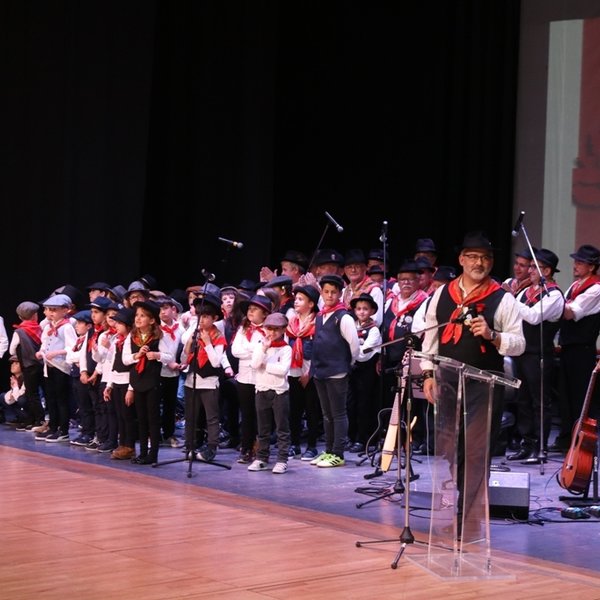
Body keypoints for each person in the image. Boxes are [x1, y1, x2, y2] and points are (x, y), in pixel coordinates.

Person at [420, 231, 525, 539]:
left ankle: (471, 521)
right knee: (452, 453)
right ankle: (454, 513)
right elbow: (431, 336)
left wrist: (493, 336)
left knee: (476, 453)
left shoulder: (502, 298)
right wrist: (428, 374)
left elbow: (519, 344)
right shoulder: (443, 294)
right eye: (474, 257)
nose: (481, 263)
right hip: (449, 383)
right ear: (462, 260)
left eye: (486, 258)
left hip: (485, 388)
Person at [508, 248, 564, 461]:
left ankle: (541, 447)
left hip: (539, 353)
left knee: (539, 401)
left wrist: (510, 299)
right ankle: (527, 443)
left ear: (547, 271)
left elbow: (532, 316)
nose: (529, 271)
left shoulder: (554, 295)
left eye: (535, 267)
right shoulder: (525, 292)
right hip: (522, 351)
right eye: (530, 266)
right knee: (522, 400)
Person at [552, 244, 600, 452]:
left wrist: (550, 298)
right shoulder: (574, 286)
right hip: (569, 348)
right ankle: (565, 440)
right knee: (565, 396)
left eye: (580, 262)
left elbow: (571, 313)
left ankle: (580, 443)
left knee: (581, 398)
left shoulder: (596, 288)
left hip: (583, 350)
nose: (575, 265)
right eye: (576, 261)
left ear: (591, 267)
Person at [310, 274, 360, 468]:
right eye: (326, 292)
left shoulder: (343, 316)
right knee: (327, 413)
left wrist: (348, 362)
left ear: (340, 294)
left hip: (337, 371)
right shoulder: (321, 315)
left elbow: (354, 345)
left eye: (333, 292)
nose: (329, 295)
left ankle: (338, 453)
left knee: (338, 413)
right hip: (320, 371)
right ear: (322, 293)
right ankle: (329, 450)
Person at [122, 300, 173, 465]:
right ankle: (142, 452)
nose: (138, 318)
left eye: (142, 316)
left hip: (152, 381)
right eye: (137, 315)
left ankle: (153, 453)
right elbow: (125, 359)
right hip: (137, 380)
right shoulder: (132, 337)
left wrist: (157, 355)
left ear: (152, 320)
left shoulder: (159, 336)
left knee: (153, 418)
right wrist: (137, 356)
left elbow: (169, 356)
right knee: (141, 418)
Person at [180, 294, 227, 462]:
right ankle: (189, 445)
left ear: (214, 318)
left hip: (209, 381)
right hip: (191, 379)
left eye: (206, 316)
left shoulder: (218, 337)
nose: (202, 320)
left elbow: (216, 362)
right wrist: (188, 345)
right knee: (191, 416)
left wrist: (207, 343)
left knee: (211, 417)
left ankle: (212, 448)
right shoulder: (194, 333)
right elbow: (184, 359)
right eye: (200, 316)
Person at [247, 312, 293, 474]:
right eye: (269, 328)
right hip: (261, 389)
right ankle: (262, 458)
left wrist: (265, 365)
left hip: (279, 391)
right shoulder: (261, 345)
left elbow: (282, 370)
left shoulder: (286, 349)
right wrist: (264, 349)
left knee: (281, 428)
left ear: (283, 330)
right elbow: (254, 364)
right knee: (263, 428)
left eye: (276, 329)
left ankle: (282, 459)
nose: (272, 333)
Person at [231, 294, 273, 464]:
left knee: (261, 415)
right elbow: (235, 351)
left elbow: (267, 355)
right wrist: (255, 351)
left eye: (254, 309)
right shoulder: (243, 329)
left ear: (264, 314)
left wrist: (255, 352)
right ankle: (246, 447)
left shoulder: (269, 330)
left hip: (261, 378)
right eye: (249, 309)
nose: (250, 312)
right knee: (247, 414)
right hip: (244, 378)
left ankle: (261, 448)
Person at [35, 294, 78, 442]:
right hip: (49, 366)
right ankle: (53, 427)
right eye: (48, 309)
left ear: (65, 310)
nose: (51, 312)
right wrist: (41, 352)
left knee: (62, 400)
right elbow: (44, 344)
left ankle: (63, 430)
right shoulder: (48, 326)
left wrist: (57, 352)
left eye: (54, 309)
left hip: (61, 367)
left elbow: (72, 347)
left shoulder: (66, 327)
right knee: (51, 398)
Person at [286, 284, 321, 460]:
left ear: (311, 304)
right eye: (296, 298)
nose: (296, 302)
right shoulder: (291, 323)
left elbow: (320, 350)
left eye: (300, 299)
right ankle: (294, 444)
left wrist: (311, 372)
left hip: (310, 372)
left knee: (312, 408)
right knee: (294, 409)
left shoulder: (318, 322)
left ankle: (312, 446)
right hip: (294, 370)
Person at [346, 293, 382, 454]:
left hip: (366, 371)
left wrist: (350, 352)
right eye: (358, 309)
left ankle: (364, 439)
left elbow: (363, 353)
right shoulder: (351, 325)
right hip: (352, 370)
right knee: (351, 404)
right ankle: (351, 437)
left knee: (364, 405)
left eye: (365, 309)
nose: (361, 312)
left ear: (372, 311)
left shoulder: (373, 330)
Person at [103, 308, 137, 460]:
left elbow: (134, 368)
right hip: (116, 381)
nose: (115, 325)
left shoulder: (132, 340)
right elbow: (113, 365)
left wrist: (131, 388)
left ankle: (129, 446)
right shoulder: (117, 340)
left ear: (128, 325)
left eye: (119, 323)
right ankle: (122, 443)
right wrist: (109, 385)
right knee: (120, 415)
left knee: (128, 416)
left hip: (127, 381)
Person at [9, 301, 45, 430]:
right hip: (42, 364)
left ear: (20, 317)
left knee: (32, 394)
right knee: (40, 393)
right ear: (35, 315)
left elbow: (12, 350)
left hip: (29, 365)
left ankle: (37, 419)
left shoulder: (19, 332)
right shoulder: (40, 329)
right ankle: (35, 419)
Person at [157, 296, 185, 448]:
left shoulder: (180, 328)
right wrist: (169, 362)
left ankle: (169, 434)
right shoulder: (156, 328)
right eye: (160, 309)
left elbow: (184, 347)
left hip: (173, 373)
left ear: (173, 310)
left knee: (170, 404)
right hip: (159, 370)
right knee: (155, 404)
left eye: (165, 308)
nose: (162, 312)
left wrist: (183, 363)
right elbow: (158, 348)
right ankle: (153, 434)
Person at [341, 249, 384, 327]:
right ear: (344, 270)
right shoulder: (344, 292)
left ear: (365, 268)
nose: (353, 270)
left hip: (366, 335)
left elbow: (376, 321)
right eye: (349, 267)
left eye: (357, 266)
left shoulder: (374, 290)